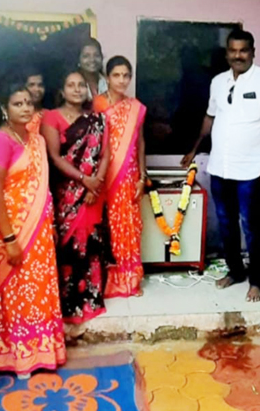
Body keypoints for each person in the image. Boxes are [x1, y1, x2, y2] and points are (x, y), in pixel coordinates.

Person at [181, 29, 260, 302]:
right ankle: (236, 271)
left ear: (253, 52)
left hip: (252, 170)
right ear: (227, 53)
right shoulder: (218, 82)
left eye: (243, 50)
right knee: (226, 223)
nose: (238, 55)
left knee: (250, 226)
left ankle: (257, 280)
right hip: (220, 167)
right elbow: (210, 117)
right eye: (233, 50)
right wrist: (194, 148)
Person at [0, 83, 66, 378]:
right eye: (17, 103)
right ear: (4, 108)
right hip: (10, 230)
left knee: (39, 288)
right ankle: (18, 357)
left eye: (28, 103)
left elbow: (42, 188)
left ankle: (42, 351)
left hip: (38, 230)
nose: (25, 108)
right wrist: (9, 239)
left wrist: (49, 224)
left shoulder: (37, 140)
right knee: (15, 289)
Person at [41, 70, 111, 331]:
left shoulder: (97, 119)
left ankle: (91, 298)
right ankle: (69, 302)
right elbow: (54, 157)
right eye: (71, 85)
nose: (77, 89)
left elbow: (105, 155)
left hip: (93, 191)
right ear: (62, 90)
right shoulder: (51, 117)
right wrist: (84, 179)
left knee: (90, 242)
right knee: (68, 245)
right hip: (66, 192)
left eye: (81, 85)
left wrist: (96, 183)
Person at [93, 56, 147, 298]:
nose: (122, 80)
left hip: (128, 176)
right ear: (107, 77)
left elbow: (140, 142)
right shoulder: (97, 104)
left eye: (126, 75)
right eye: (116, 75)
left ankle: (129, 280)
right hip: (102, 175)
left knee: (128, 226)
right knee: (105, 225)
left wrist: (142, 176)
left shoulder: (135, 107)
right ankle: (106, 281)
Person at [23, 67, 47, 134]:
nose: (37, 89)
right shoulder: (18, 115)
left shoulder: (48, 115)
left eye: (40, 85)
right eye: (31, 85)